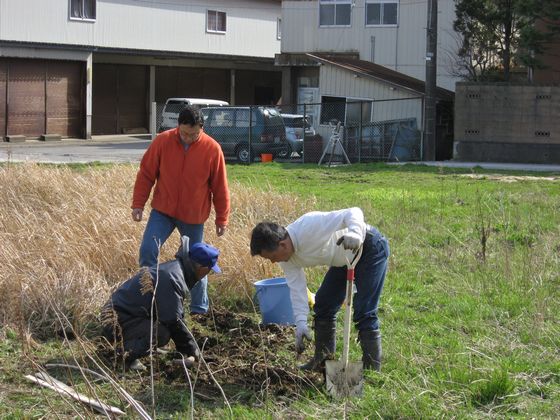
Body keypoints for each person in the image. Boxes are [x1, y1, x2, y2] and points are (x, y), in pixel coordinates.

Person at [250, 207, 389, 372]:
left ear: (282, 244)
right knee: (323, 305)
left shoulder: (309, 226)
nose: (273, 262)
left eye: (272, 257)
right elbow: (297, 289)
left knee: (364, 310)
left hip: (368, 247)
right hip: (343, 260)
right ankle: (322, 360)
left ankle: (372, 369)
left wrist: (355, 233)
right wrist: (301, 323)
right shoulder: (286, 260)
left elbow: (353, 211)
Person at [131, 105, 230, 315]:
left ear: (201, 128)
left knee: (198, 262)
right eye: (184, 133)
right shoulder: (163, 141)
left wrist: (222, 218)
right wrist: (138, 204)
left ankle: (199, 310)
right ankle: (148, 301)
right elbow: (146, 174)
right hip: (163, 211)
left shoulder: (213, 149)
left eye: (193, 134)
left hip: (194, 217)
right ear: (178, 127)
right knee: (148, 250)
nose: (187, 138)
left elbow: (220, 187)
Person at [102, 236, 221, 371]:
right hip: (115, 319)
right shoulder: (173, 277)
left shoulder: (176, 270)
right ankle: (124, 355)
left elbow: (175, 314)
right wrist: (192, 349)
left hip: (128, 315)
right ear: (201, 267)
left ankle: (138, 345)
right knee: (162, 333)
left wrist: (186, 348)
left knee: (163, 327)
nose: (207, 274)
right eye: (209, 270)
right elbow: (173, 319)